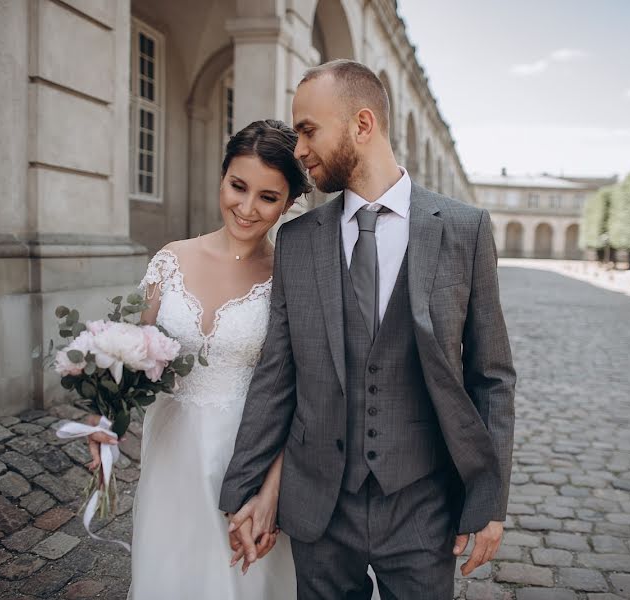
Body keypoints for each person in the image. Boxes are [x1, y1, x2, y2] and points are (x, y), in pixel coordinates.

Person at [220, 59, 517, 600]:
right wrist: (243, 488)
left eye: (308, 130)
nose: (298, 149)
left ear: (362, 124)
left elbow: (491, 375)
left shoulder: (463, 230)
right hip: (320, 508)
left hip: (424, 507)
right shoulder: (299, 240)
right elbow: (275, 373)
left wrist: (488, 500)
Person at [86, 120, 310, 599]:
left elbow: (302, 395)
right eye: (238, 186)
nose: (247, 208)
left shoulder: (292, 279)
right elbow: (130, 349)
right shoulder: (171, 258)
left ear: (289, 203)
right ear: (223, 175)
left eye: (268, 198)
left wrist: (272, 492)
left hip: (247, 456)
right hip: (171, 454)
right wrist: (105, 416)